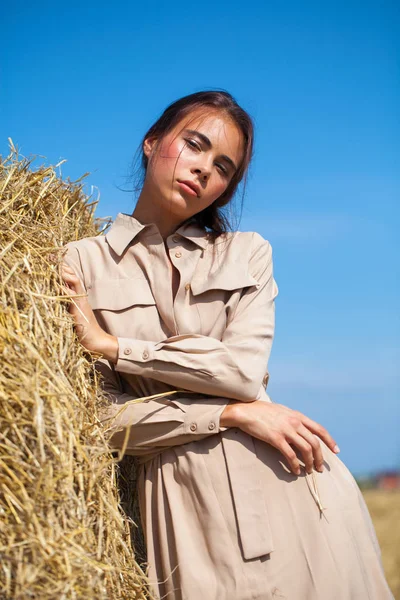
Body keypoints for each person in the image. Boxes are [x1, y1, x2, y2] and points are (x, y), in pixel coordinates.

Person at [61, 91, 393, 600]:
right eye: (194, 145)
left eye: (223, 168)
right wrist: (231, 416)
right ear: (152, 143)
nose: (203, 170)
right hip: (183, 516)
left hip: (295, 489)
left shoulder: (248, 253)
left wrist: (112, 345)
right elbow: (98, 420)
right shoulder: (80, 263)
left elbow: (240, 373)